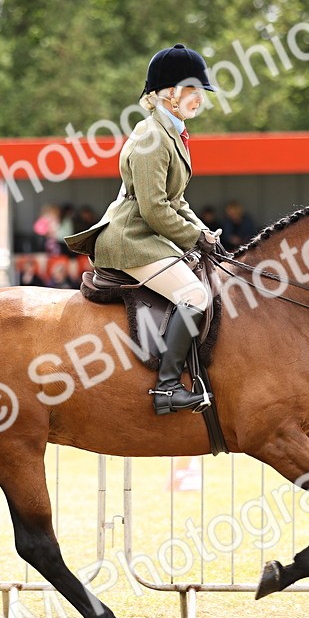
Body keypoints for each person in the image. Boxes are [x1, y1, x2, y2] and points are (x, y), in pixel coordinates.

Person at [65, 43, 218, 415]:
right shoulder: (152, 137)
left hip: (151, 234)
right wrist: (193, 238)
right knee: (195, 297)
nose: (200, 98)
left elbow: (176, 200)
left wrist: (205, 234)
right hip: (133, 239)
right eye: (192, 90)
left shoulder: (171, 133)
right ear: (169, 94)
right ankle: (166, 388)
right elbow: (153, 208)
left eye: (200, 91)